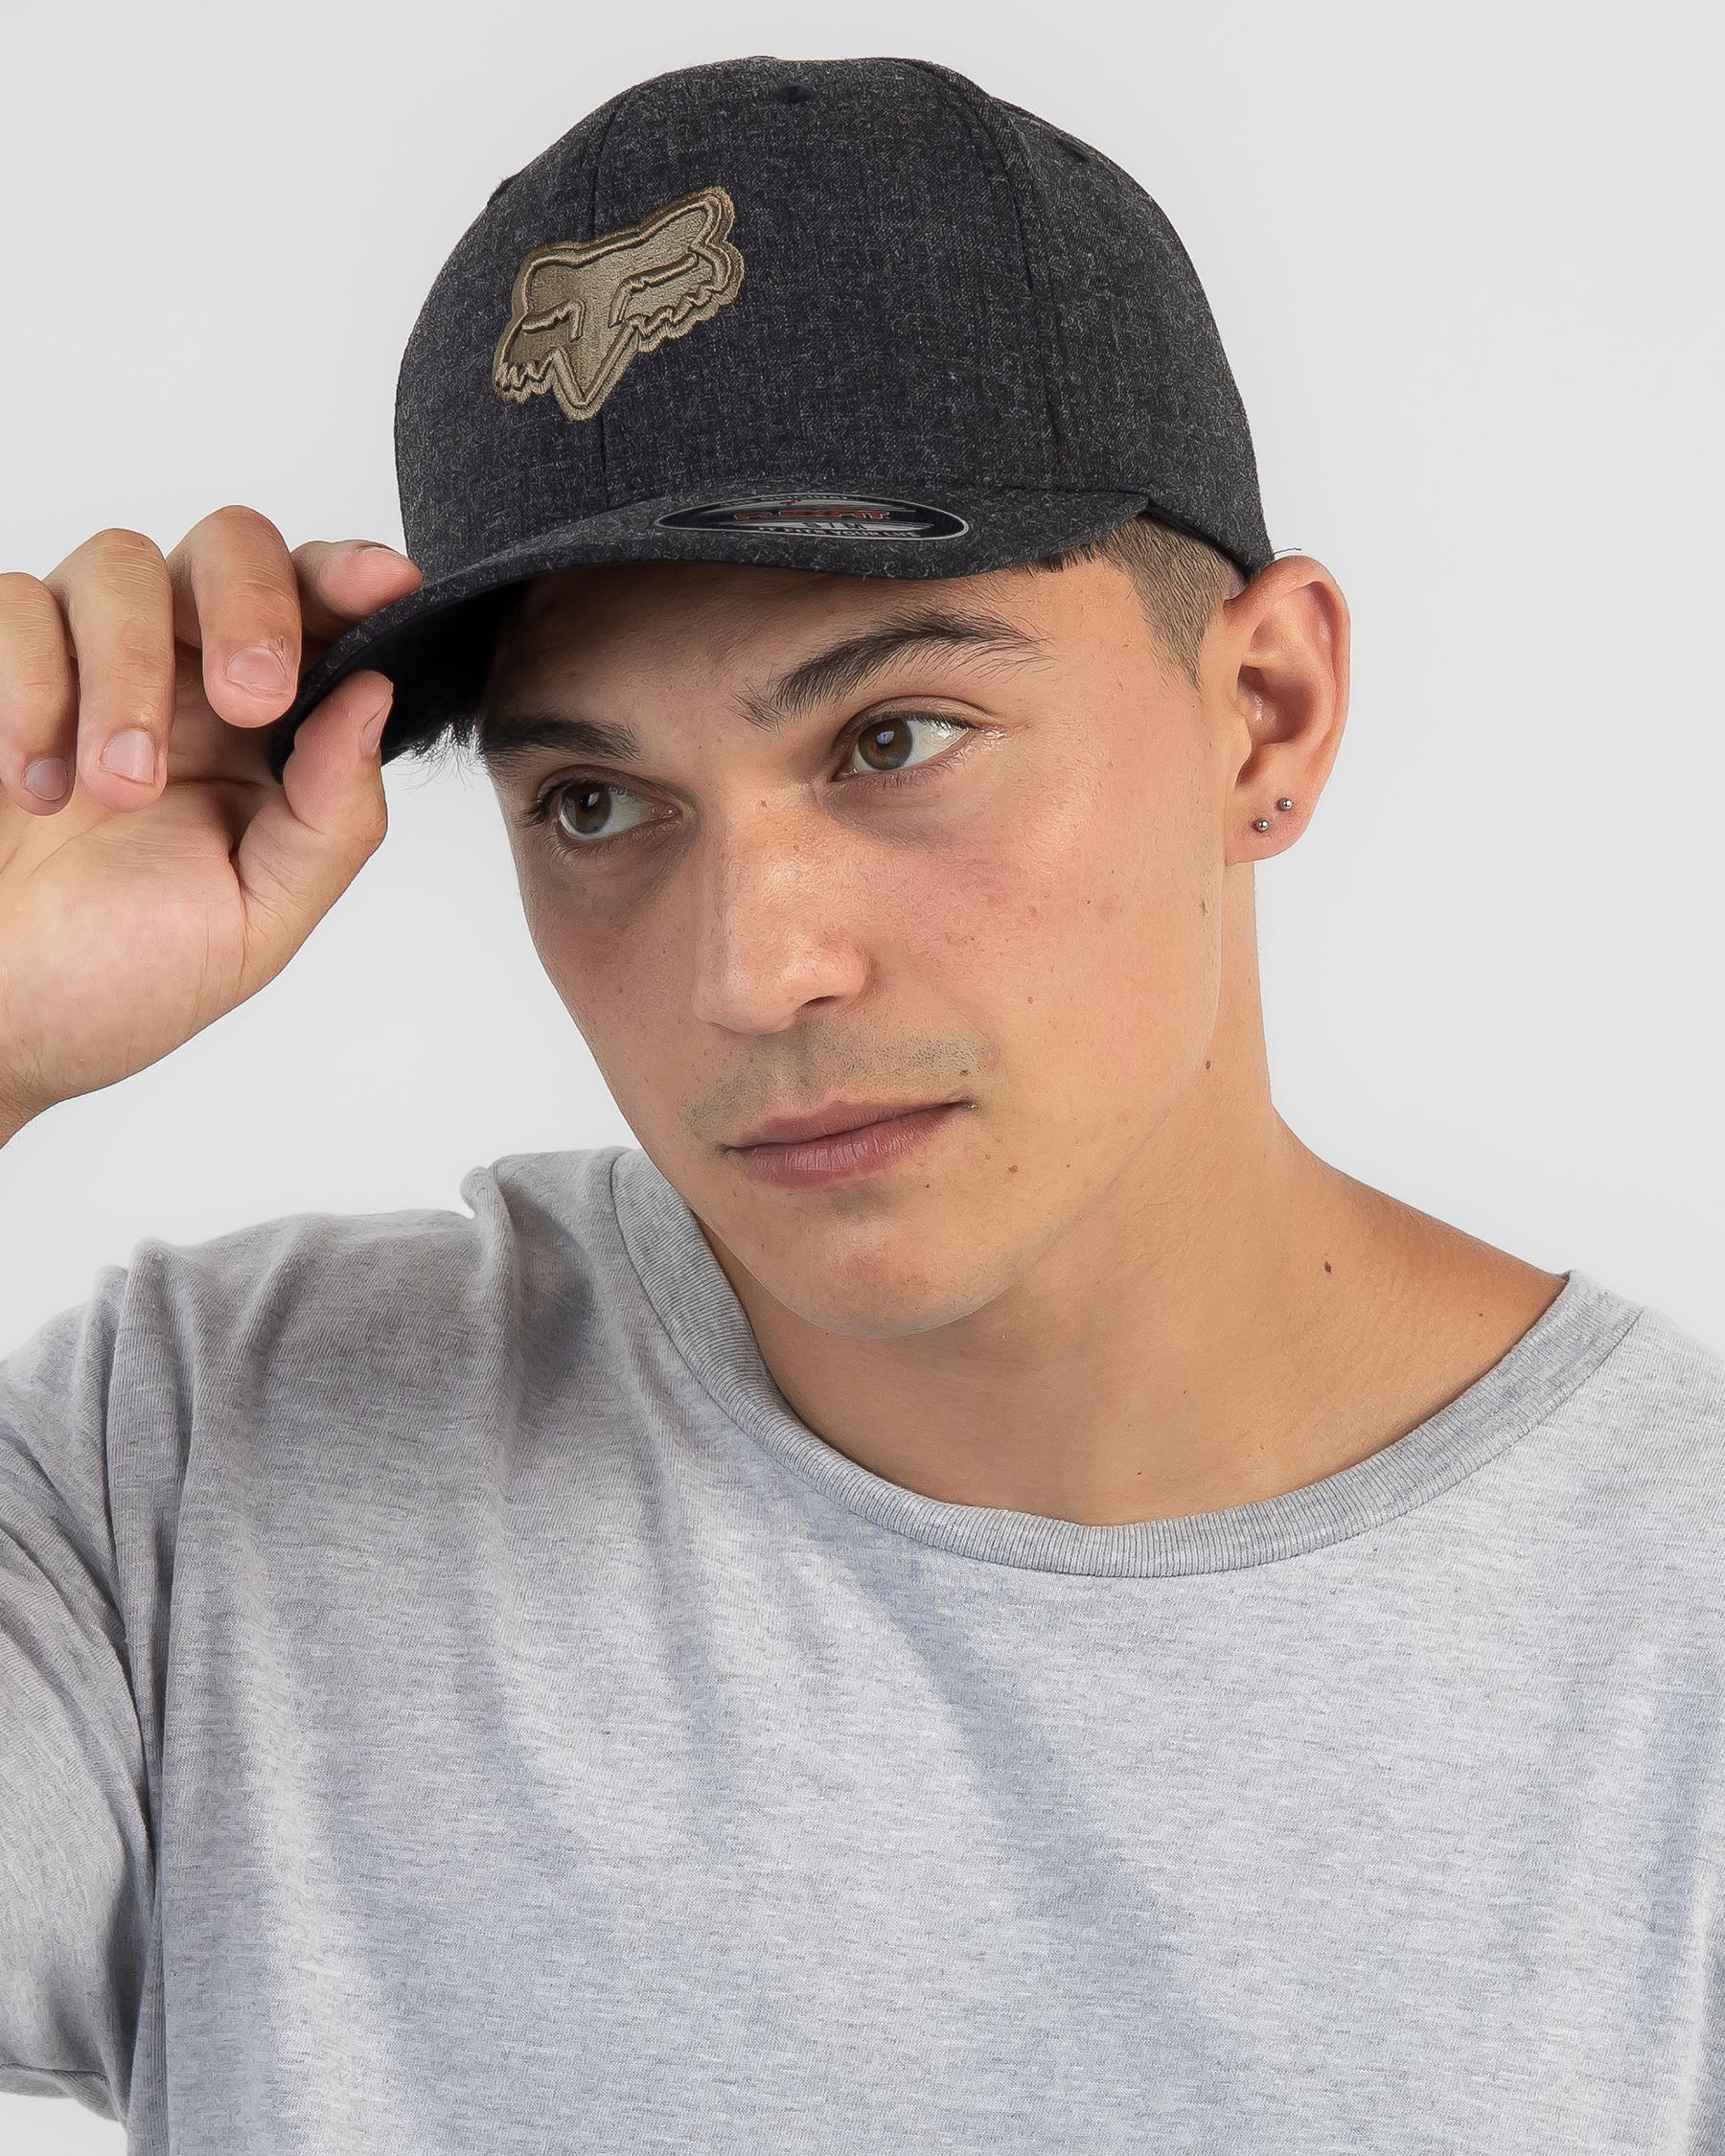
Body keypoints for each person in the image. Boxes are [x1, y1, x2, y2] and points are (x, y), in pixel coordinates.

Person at [2, 53, 1721, 2156]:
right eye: (596, 800)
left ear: (1266, 715)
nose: (753, 970)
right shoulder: (214, 1475)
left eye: (895, 738)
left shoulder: (1677, 1644)